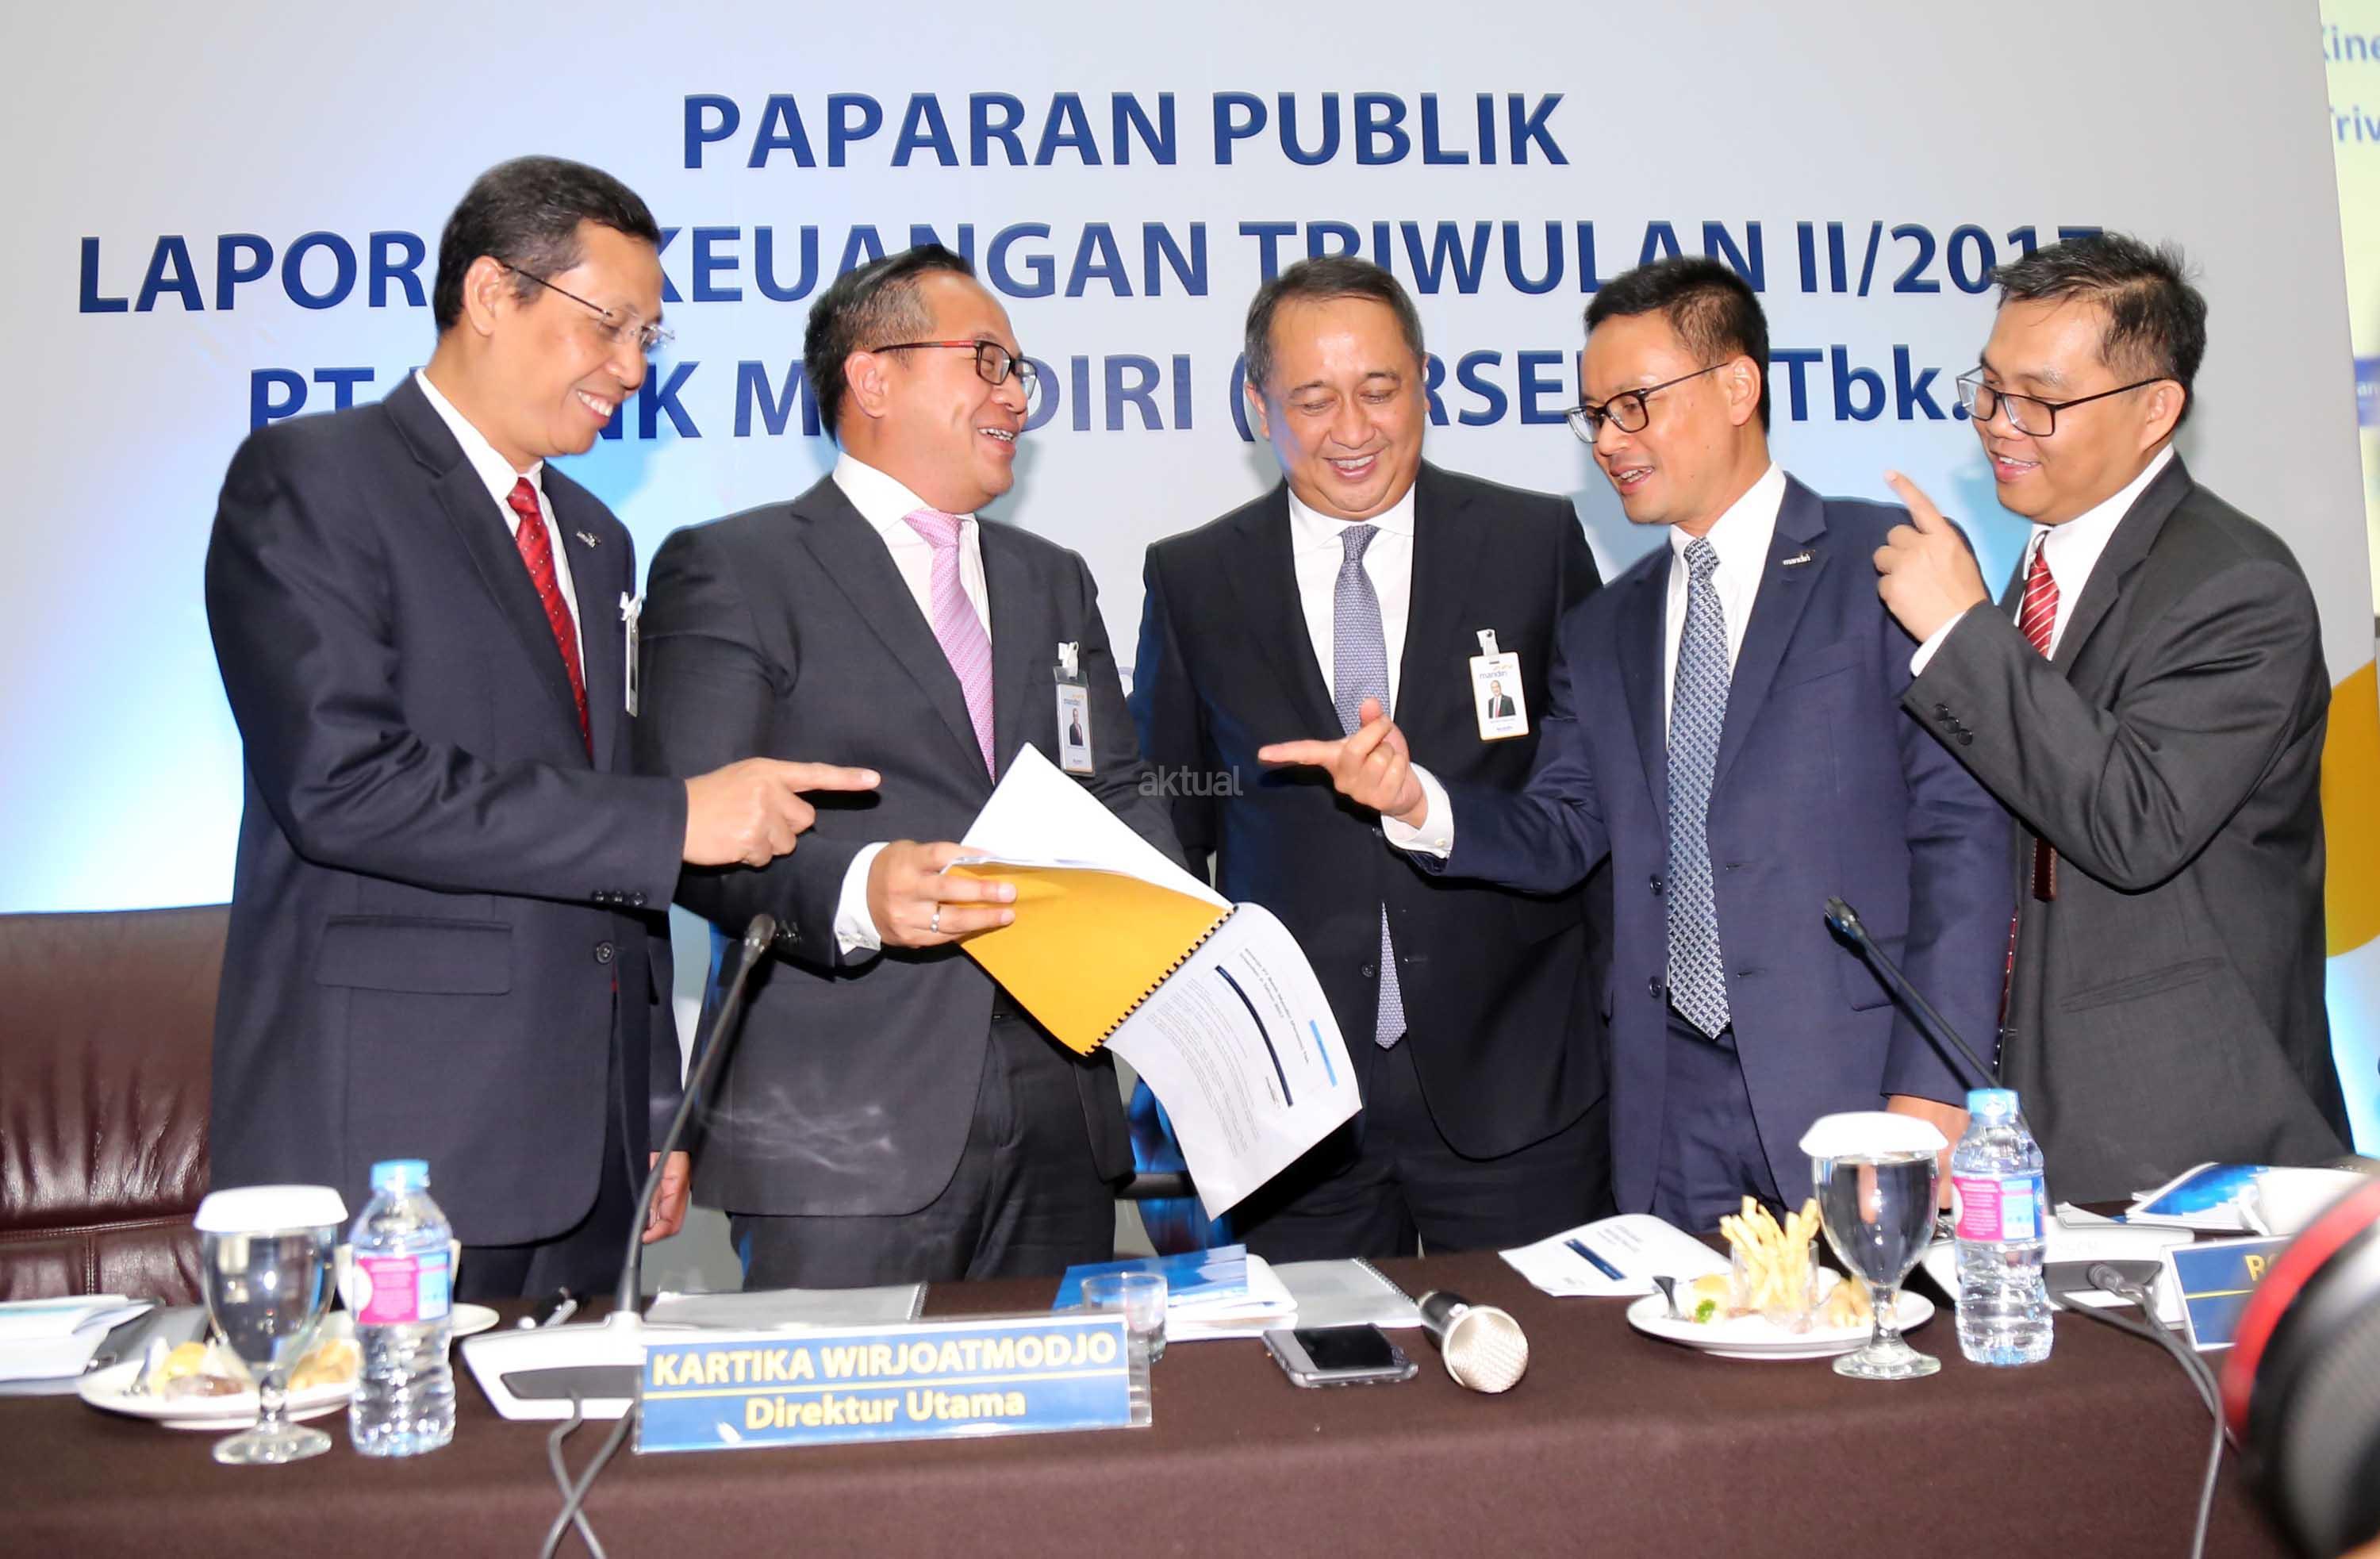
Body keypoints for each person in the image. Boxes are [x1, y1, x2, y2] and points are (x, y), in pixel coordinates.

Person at [205, 156, 874, 1300]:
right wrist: (675, 819)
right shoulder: (315, 478)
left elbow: (613, 852)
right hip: (398, 1147)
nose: (633, 369)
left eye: (648, 337)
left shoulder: (597, 539)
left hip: (591, 1151)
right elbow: (343, 786)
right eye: (608, 325)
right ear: (490, 294)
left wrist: (657, 1107)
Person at [1262, 257, 2011, 1231]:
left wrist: (1937, 1090)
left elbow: (1963, 839)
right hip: (1665, 1118)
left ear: (1737, 387)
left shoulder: (1888, 564)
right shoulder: (1606, 626)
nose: (1611, 441)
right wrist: (1419, 805)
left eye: (1635, 406)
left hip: (1858, 1092)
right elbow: (1563, 830)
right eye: (1595, 416)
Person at [636, 244, 1178, 1285]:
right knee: (842, 1406)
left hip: (1061, 1122)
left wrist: (1189, 938)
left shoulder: (1053, 579)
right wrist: (858, 892)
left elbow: (1114, 788)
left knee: (1062, 1398)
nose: (1015, 396)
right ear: (873, 376)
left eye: (1019, 371)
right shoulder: (734, 568)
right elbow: (687, 835)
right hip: (838, 1130)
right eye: (987, 362)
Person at [1131, 256, 1611, 1260]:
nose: (1352, 430)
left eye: (1379, 390)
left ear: (1425, 385)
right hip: (1292, 1110)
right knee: (1319, 1360)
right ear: (1260, 408)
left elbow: (1592, 804)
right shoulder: (1193, 577)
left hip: (1520, 1085)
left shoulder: (1533, 542)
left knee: (1554, 1360)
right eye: (1313, 400)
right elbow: (1171, 820)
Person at [1875, 232, 2351, 1200]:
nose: (1999, 424)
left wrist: (1960, 632)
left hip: (2189, 1145)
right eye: (1988, 387)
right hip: (2040, 1125)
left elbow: (2135, 823)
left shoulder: (2235, 584)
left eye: (2040, 400)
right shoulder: (2041, 564)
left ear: (2155, 409)